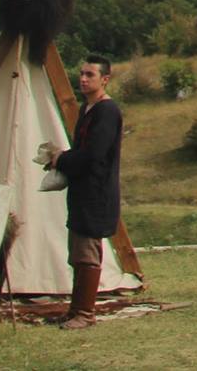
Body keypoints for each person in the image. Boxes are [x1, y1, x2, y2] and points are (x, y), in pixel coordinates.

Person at [40, 55, 124, 328]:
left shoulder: (106, 111)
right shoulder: (88, 109)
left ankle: (85, 314)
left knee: (87, 251)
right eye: (82, 74)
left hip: (96, 192)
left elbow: (93, 155)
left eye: (90, 74)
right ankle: (76, 310)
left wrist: (60, 160)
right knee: (78, 251)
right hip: (83, 191)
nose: (84, 79)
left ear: (105, 79)